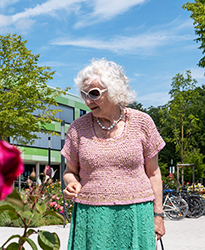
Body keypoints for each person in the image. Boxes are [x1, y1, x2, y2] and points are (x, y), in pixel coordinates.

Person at [61, 59, 165, 249]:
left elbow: (154, 173)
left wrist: (158, 215)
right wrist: (72, 183)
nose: (87, 101)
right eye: (84, 94)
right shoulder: (77, 128)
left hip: (135, 215)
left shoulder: (142, 123)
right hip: (91, 217)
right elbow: (69, 171)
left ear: (114, 90)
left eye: (94, 94)